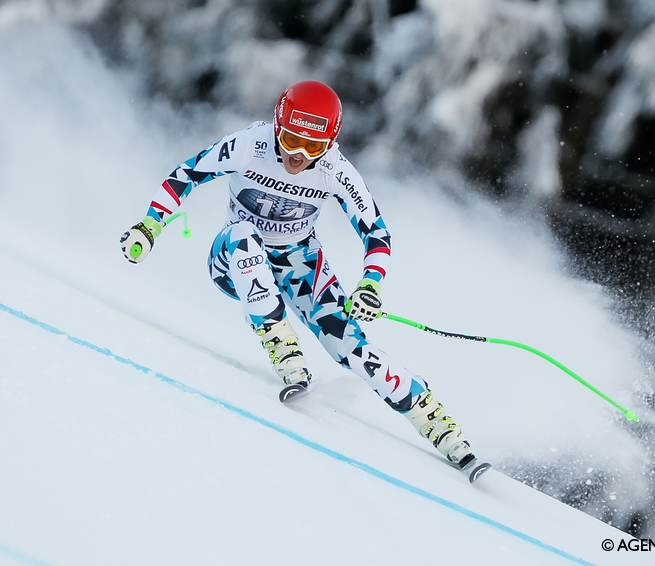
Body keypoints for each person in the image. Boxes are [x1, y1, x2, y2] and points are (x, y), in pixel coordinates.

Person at [121, 80, 480, 474]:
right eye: (291, 140)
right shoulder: (251, 144)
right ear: (278, 126)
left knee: (351, 346)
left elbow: (376, 233)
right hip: (234, 260)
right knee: (244, 236)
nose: (298, 156)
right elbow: (185, 174)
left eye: (313, 147)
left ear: (330, 144)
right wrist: (149, 226)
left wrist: (370, 285)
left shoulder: (334, 170)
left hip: (300, 265)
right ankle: (282, 345)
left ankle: (436, 422)